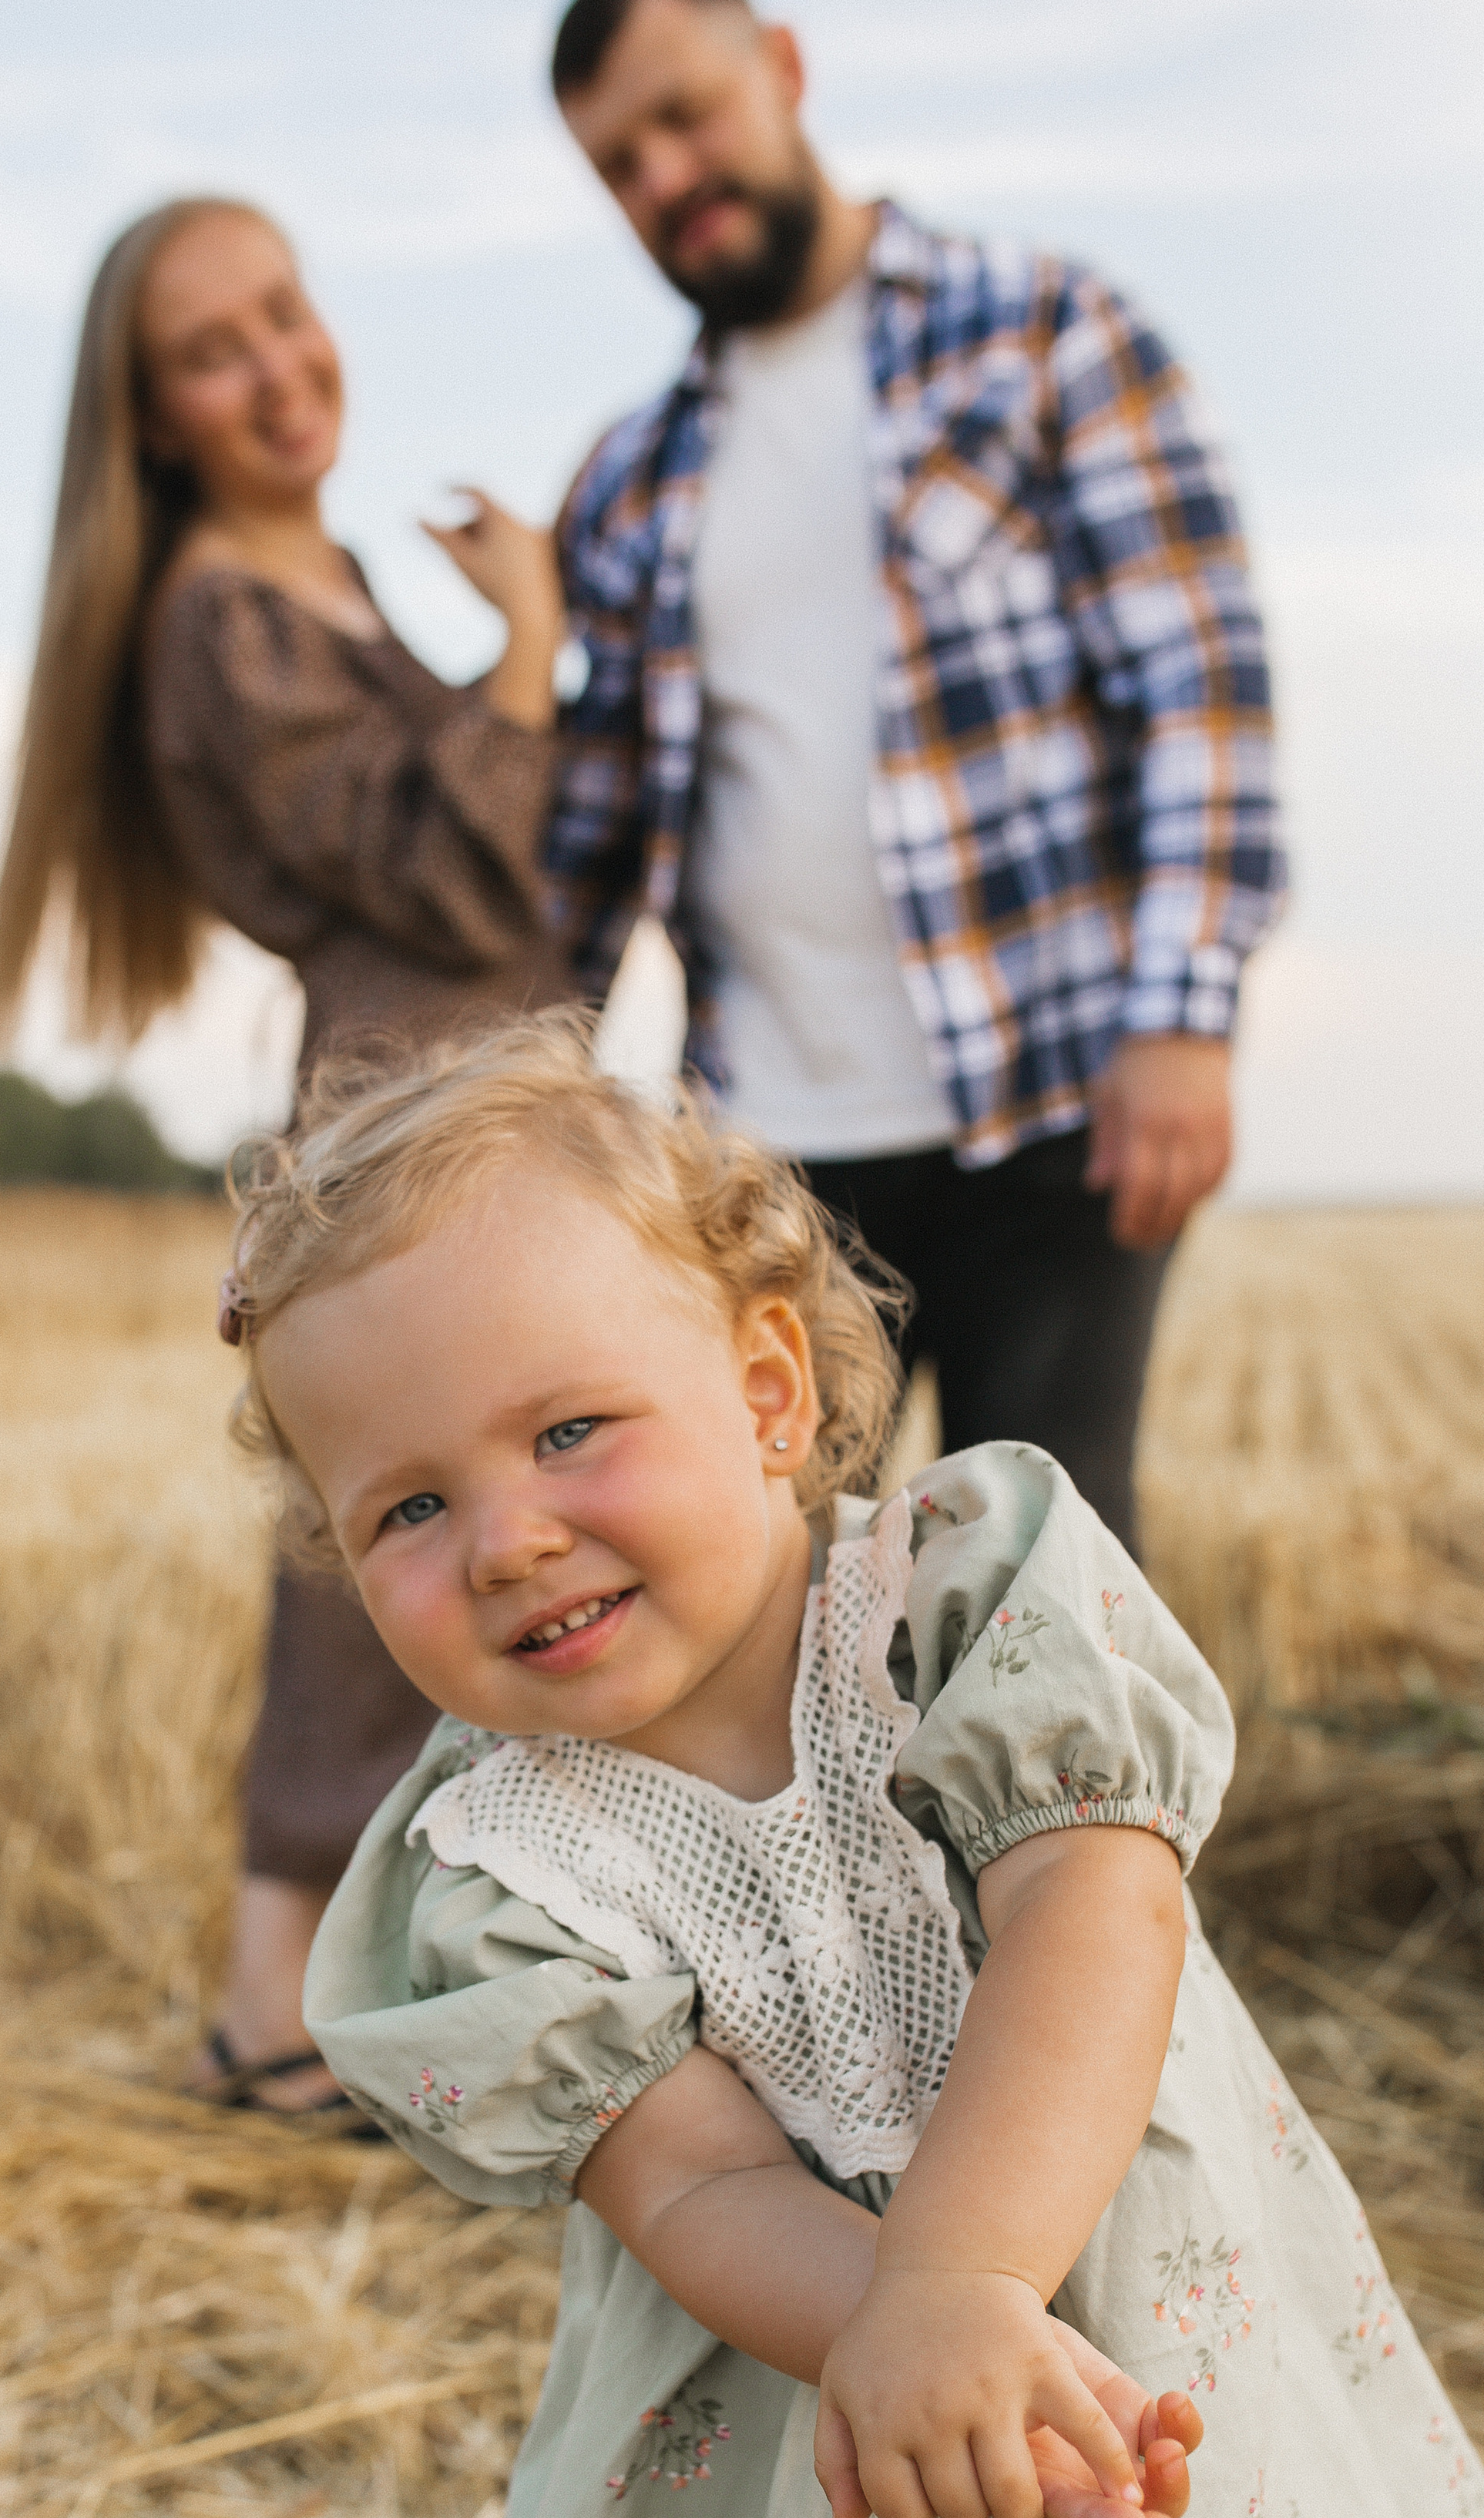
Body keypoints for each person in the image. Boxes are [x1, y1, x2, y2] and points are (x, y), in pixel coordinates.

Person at [223, 1016, 1481, 2518]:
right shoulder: (491, 1874)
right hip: (810, 2447)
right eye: (405, 1508)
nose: (508, 1538)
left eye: (568, 1431)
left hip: (1148, 2356)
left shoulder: (960, 1595)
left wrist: (972, 2284)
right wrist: (914, 2335)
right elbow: (698, 2186)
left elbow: (1095, 1909)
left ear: (760, 1388)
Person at [543, 0, 1288, 1551]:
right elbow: (586, 850)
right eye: (619, 164)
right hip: (769, 1165)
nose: (667, 175)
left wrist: (1180, 1015)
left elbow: (1196, 684)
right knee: (784, 1608)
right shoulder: (630, 479)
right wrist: (512, 1111)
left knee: (1048, 1599)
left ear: (784, 70)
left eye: (687, 117)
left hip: (1051, 1108)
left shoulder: (1042, 333)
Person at [0, 196, 573, 2113]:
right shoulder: (216, 621)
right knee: (374, 1541)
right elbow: (437, 857)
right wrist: (534, 640)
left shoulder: (311, 582)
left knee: (459, 1516)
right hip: (397, 1110)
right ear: (149, 417)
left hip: (463, 1099)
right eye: (213, 350)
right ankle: (263, 2005)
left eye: (285, 315)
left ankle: (404, 1979)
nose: (277, 366)